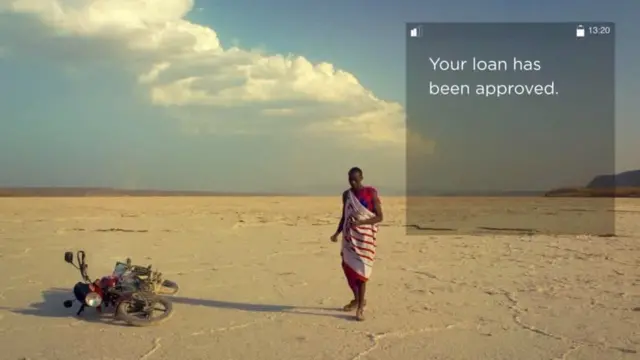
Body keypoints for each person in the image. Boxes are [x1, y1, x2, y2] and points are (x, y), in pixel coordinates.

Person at [330, 167, 383, 321]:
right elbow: (344, 216)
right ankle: (358, 299)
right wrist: (337, 232)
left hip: (365, 239)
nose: (353, 182)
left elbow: (380, 217)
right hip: (349, 238)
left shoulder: (370, 193)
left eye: (355, 179)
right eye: (350, 179)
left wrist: (361, 222)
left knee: (362, 273)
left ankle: (360, 308)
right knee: (348, 268)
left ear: (361, 178)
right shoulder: (347, 195)